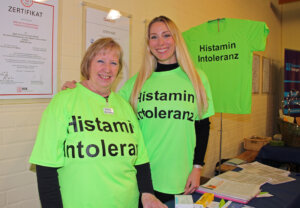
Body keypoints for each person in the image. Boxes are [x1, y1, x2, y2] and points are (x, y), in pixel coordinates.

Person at [62, 16, 214, 204]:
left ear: (176, 38)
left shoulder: (197, 79)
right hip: (142, 179)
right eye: (153, 37)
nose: (160, 43)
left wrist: (197, 167)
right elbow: (104, 103)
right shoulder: (137, 82)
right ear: (148, 44)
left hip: (182, 179)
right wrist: (78, 89)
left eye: (166, 35)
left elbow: (203, 126)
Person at [29, 37, 167, 208]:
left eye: (114, 63)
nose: (107, 69)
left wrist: (147, 194)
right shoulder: (64, 101)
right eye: (100, 60)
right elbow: (45, 167)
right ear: (88, 64)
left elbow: (141, 159)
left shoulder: (125, 107)